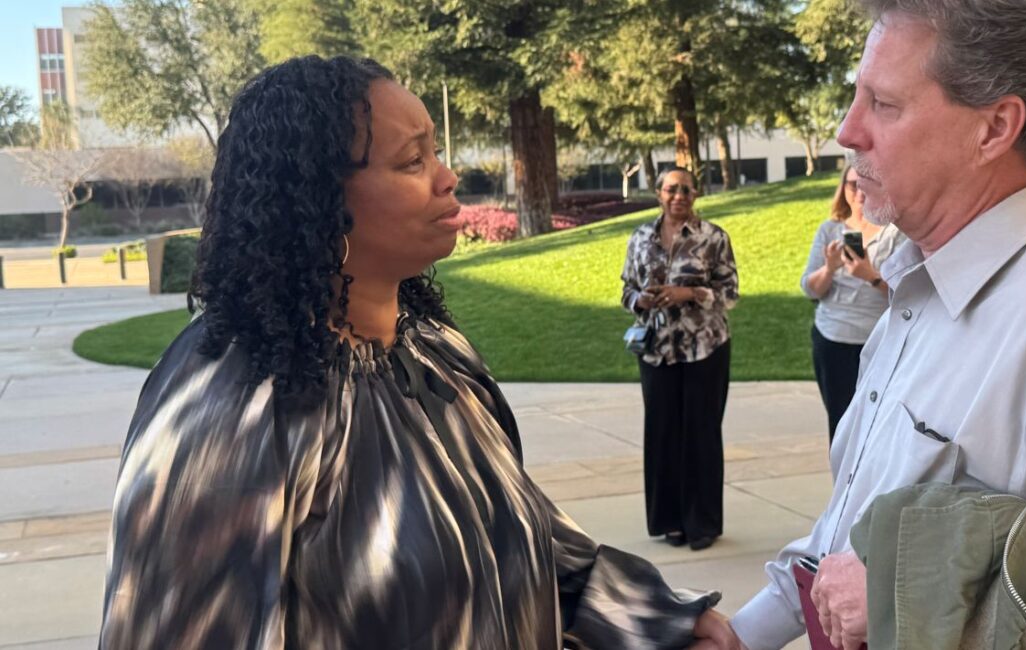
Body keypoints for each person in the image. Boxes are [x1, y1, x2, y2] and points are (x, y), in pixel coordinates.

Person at [98, 56, 744, 650]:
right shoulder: (231, 412)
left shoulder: (436, 354)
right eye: (412, 162)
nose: (447, 176)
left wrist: (661, 620)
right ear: (319, 200)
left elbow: (530, 539)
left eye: (436, 151)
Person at [730, 2, 1026, 649]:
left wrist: (905, 587)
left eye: (883, 103)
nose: (848, 131)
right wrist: (746, 633)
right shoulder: (918, 285)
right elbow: (853, 518)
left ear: (994, 128)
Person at [620, 167, 739, 552]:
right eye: (671, 189)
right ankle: (670, 521)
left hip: (704, 348)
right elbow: (626, 289)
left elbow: (730, 294)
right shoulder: (640, 238)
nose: (679, 195)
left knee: (701, 434)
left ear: (696, 195)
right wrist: (641, 299)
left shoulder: (713, 238)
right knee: (663, 434)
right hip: (656, 350)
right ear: (658, 193)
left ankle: (702, 524)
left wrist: (688, 294)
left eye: (686, 189)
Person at [800, 163, 905, 442]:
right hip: (832, 338)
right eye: (852, 184)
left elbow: (910, 292)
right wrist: (830, 268)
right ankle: (843, 487)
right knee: (841, 425)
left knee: (879, 427)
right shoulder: (829, 230)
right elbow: (810, 289)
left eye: (866, 182)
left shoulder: (895, 232)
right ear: (843, 189)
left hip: (879, 341)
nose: (859, 191)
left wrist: (870, 276)